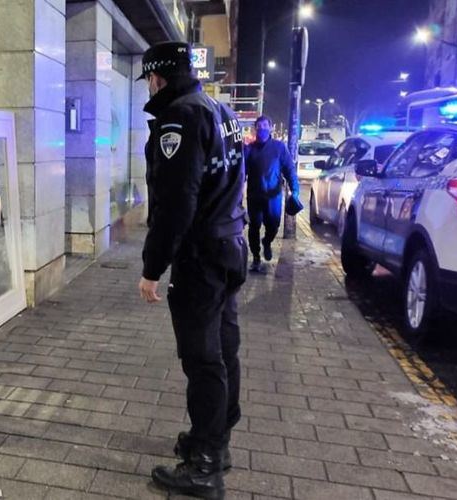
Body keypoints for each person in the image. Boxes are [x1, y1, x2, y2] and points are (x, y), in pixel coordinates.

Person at [137, 41, 247, 500]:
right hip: (230, 245)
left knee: (202, 359)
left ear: (158, 76)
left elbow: (177, 203)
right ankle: (215, 442)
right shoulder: (221, 111)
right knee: (223, 348)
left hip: (201, 257)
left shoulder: (179, 118)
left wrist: (152, 267)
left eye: (148, 78)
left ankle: (203, 466)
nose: (148, 85)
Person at [244, 115, 299, 272]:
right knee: (254, 227)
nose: (262, 129)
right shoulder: (249, 150)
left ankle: (267, 242)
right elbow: (241, 174)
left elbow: (289, 169)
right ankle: (255, 257)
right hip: (254, 196)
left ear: (271, 128)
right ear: (255, 129)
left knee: (273, 225)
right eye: (259, 126)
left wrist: (295, 190)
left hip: (274, 197)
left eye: (265, 126)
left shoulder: (279, 148)